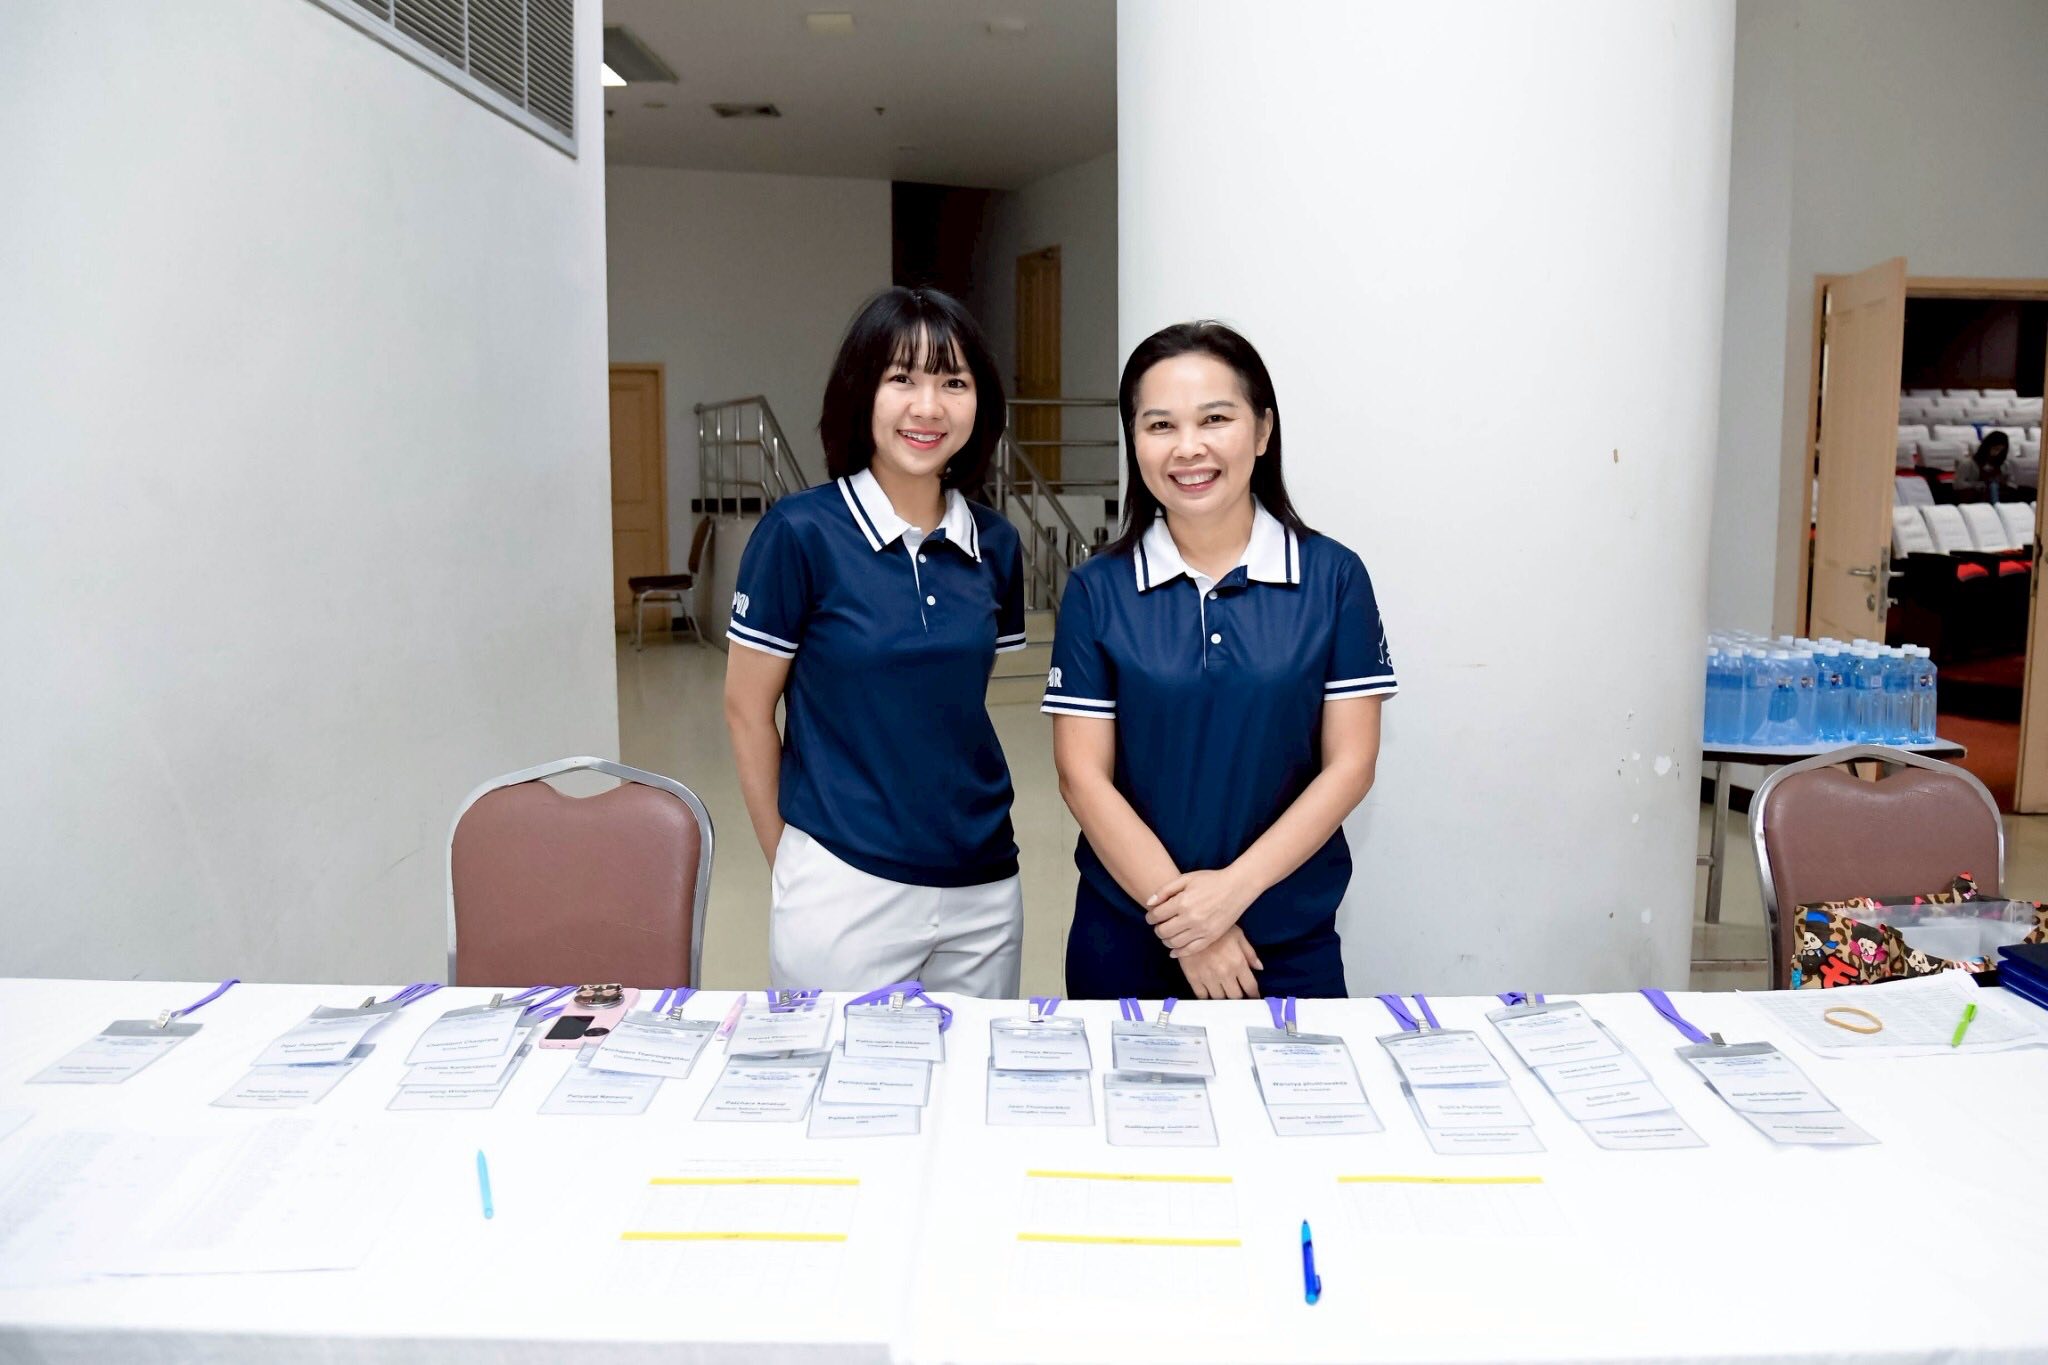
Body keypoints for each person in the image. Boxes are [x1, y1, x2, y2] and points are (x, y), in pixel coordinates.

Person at [1044, 321, 1395, 1000]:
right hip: (1126, 938)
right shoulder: (1098, 589)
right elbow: (1081, 776)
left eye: (1215, 419)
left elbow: (1351, 765)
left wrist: (1230, 894)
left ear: (1262, 431)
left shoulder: (1333, 578)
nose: (1189, 447)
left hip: (1284, 944)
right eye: (1160, 425)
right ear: (1135, 441)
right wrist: (1191, 928)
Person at [724, 287, 1027, 994]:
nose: (929, 406)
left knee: (969, 1066)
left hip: (984, 884)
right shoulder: (800, 532)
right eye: (902, 379)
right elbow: (746, 710)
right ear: (862, 392)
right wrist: (792, 860)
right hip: (843, 880)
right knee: (836, 1067)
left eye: (953, 382)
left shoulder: (997, 543)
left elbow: (954, 707)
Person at [1953, 431, 2016, 503]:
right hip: (1976, 497)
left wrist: (2005, 483)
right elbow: (1958, 484)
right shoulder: (1967, 463)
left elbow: (2012, 483)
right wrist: (1977, 484)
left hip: (1999, 495)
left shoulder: (2004, 464)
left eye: (2000, 450)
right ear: (1987, 446)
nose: (1997, 453)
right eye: (1995, 449)